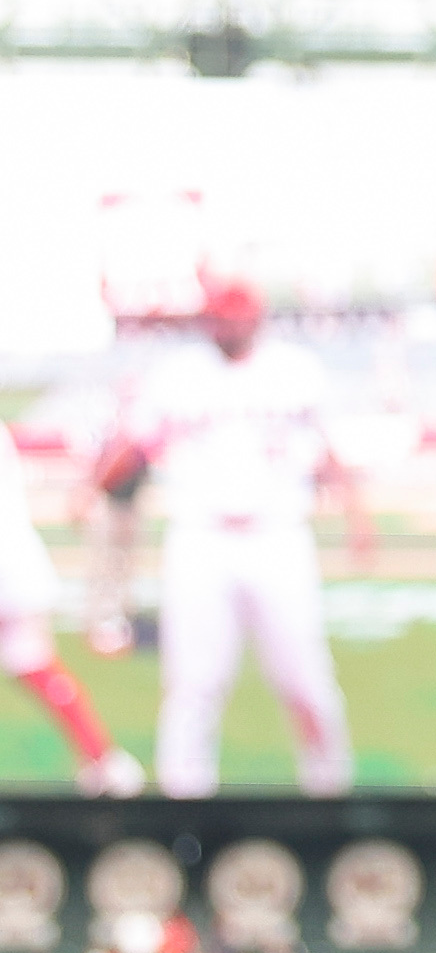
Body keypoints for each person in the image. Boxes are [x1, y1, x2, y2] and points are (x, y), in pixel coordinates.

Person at [97, 275, 370, 796]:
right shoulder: (176, 376)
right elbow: (134, 449)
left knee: (306, 679)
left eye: (239, 315)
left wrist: (358, 518)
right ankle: (185, 801)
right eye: (221, 315)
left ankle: (330, 792)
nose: (230, 325)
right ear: (207, 320)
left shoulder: (295, 371)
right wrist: (103, 479)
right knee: (192, 684)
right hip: (200, 539)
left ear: (259, 317)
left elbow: (328, 449)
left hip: (278, 537)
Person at [0, 469, 139, 793]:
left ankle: (104, 761)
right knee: (35, 667)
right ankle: (104, 761)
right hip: (14, 564)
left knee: (33, 665)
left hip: (9, 567)